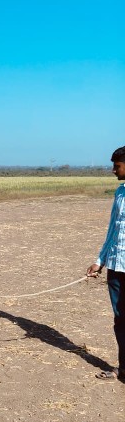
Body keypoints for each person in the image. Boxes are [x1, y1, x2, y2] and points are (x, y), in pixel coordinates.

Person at [86, 146, 125, 381]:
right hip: (116, 266)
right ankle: (123, 369)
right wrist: (99, 261)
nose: (113, 170)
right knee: (120, 319)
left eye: (117, 166)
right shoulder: (120, 193)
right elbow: (113, 230)